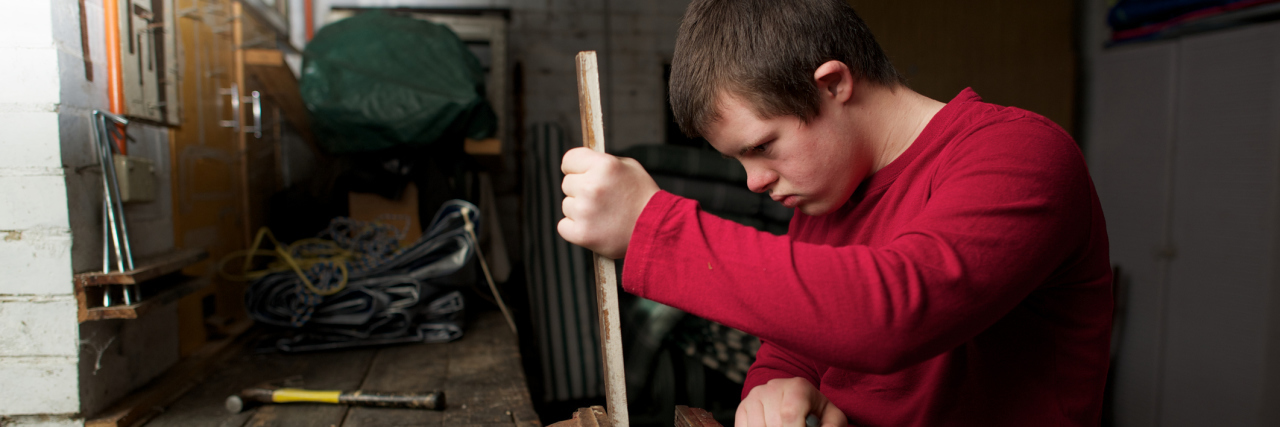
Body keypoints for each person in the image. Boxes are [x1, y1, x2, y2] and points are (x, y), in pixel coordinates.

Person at [557, 0, 1113, 425]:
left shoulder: (1023, 154)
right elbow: (793, 346)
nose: (754, 181)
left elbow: (893, 315)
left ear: (833, 84)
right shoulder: (829, 197)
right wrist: (775, 389)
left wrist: (653, 228)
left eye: (762, 146)